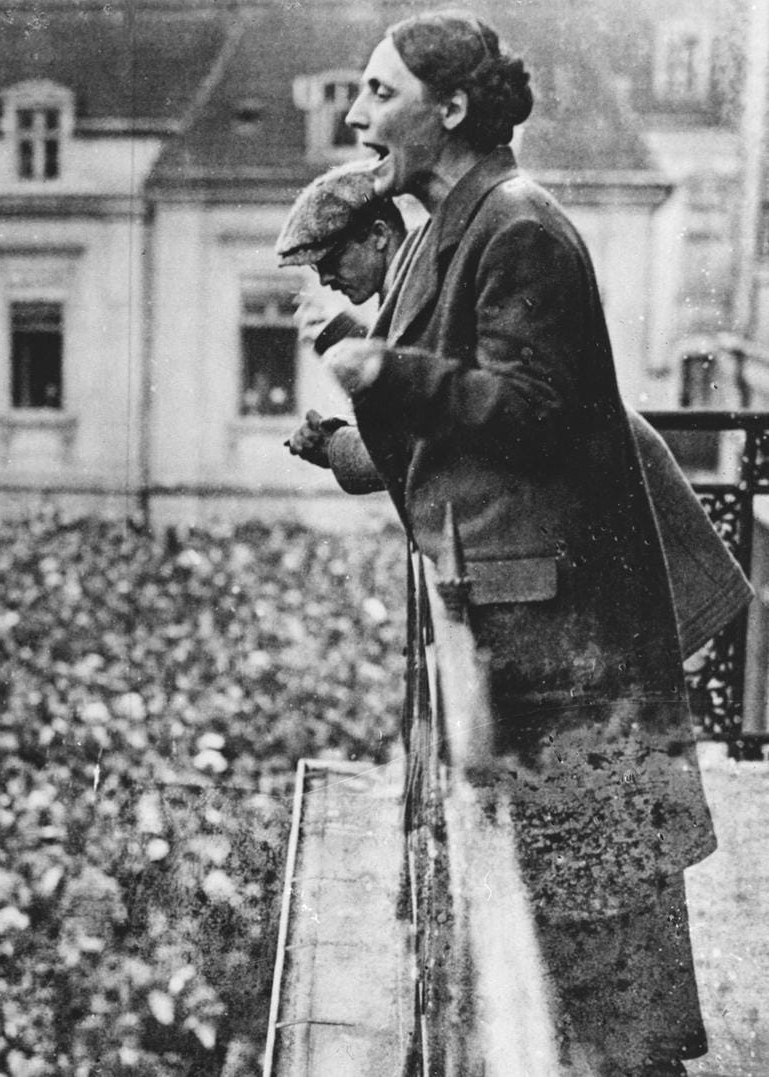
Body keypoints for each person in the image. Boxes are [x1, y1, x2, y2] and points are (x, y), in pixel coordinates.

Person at [317, 11, 718, 1074]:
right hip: (523, 627)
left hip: (566, 646)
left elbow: (536, 411)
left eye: (377, 94)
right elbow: (461, 440)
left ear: (447, 110)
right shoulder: (449, 230)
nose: (357, 117)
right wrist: (356, 448)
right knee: (573, 926)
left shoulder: (517, 225)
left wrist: (383, 373)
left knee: (604, 940)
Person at [275, 160, 753, 659]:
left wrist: (332, 443)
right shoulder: (420, 266)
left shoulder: (447, 263)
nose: (326, 279)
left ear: (377, 235)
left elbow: (419, 439)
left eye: (330, 260)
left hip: (590, 537)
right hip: (586, 523)